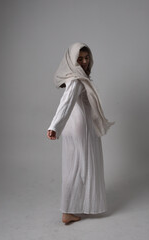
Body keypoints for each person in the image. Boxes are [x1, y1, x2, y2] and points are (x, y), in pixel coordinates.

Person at [47, 42, 115, 224]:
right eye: (80, 58)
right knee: (80, 168)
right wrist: (54, 126)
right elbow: (66, 103)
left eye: (86, 58)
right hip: (81, 128)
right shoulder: (76, 79)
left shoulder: (74, 77)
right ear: (71, 59)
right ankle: (69, 211)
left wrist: (57, 126)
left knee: (75, 167)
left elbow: (66, 103)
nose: (84, 62)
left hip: (73, 126)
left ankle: (76, 206)